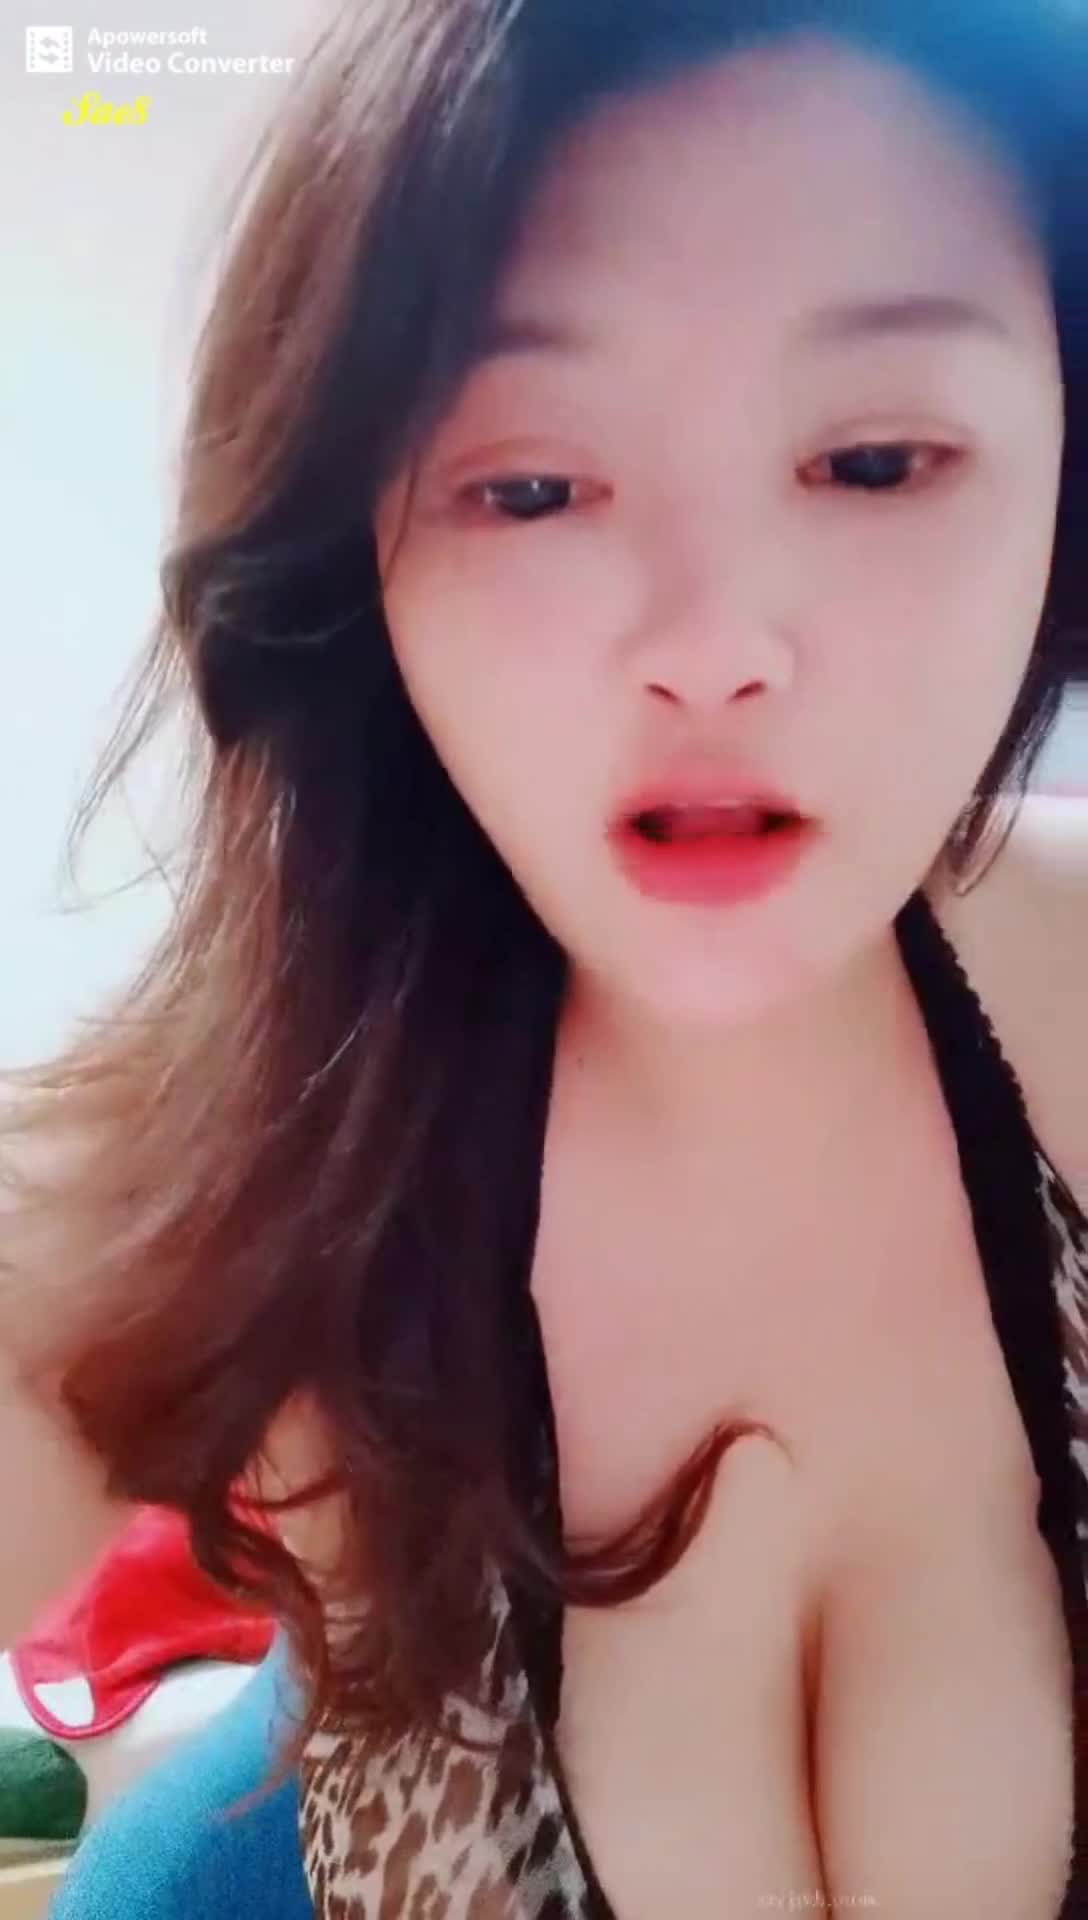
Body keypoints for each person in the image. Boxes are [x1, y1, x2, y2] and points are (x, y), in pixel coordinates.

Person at [2, 0, 1087, 1913]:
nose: (715, 644)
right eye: (527, 486)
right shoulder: (222, 1160)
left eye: (875, 461)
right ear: (360, 549)